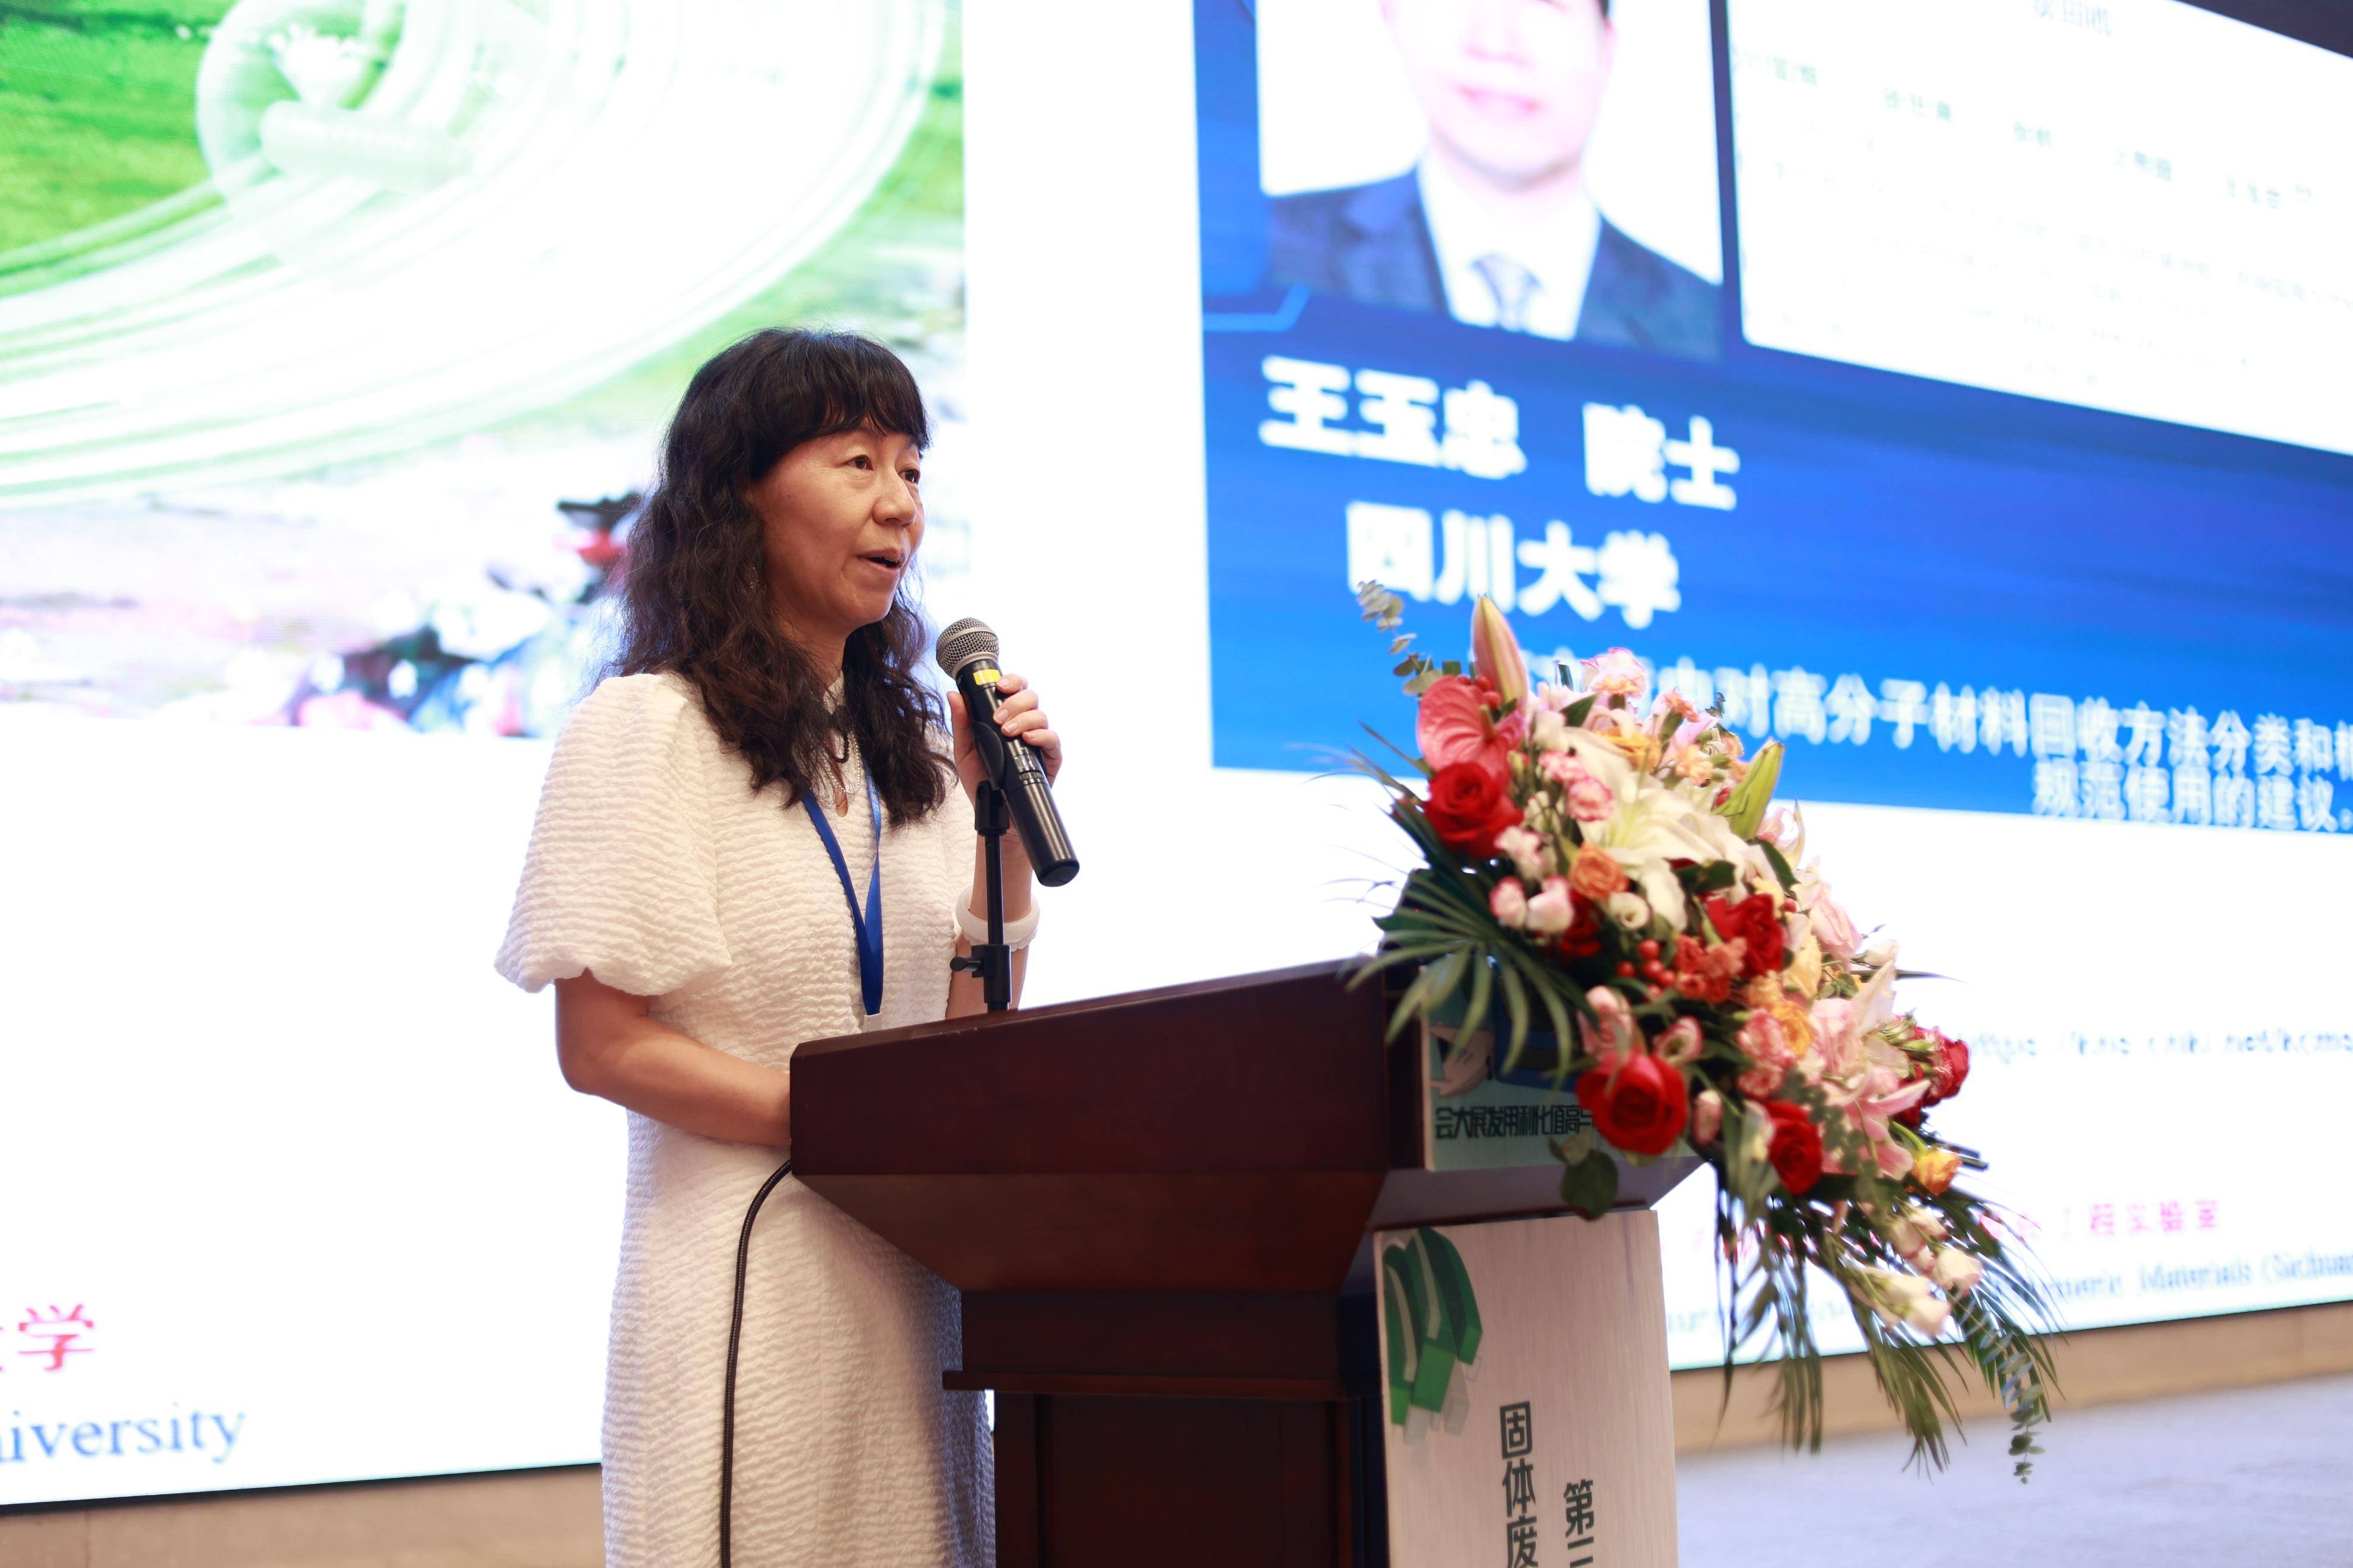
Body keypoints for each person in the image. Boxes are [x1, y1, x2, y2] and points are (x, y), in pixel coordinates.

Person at [494, 329, 1058, 1566]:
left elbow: (965, 1048)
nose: (899, 503)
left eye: (912, 467)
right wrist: (847, 1122)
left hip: (907, 1283)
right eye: (858, 462)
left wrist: (1002, 829)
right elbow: (602, 1045)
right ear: (740, 490)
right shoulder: (648, 726)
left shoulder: (915, 748)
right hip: (745, 1285)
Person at [1268, 0, 1719, 359]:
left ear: (1607, 46)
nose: (1496, 42)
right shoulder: (1271, 247)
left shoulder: (1707, 324)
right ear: (1391, 14)